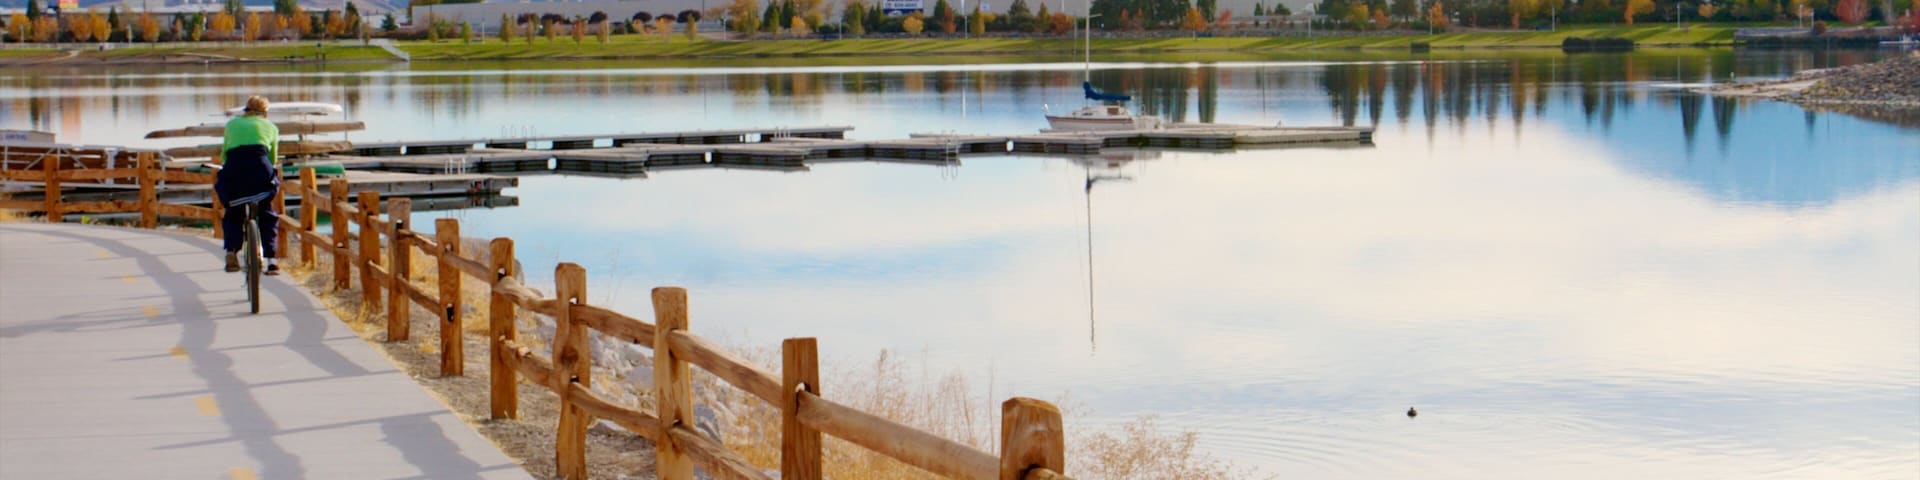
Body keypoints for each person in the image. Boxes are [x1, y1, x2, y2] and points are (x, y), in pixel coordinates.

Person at [215, 95, 282, 275]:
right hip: (260, 171)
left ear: (246, 109)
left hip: (235, 172)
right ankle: (272, 260)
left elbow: (225, 153)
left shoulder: (232, 125)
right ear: (265, 112)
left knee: (233, 214)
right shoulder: (271, 128)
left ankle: (231, 251)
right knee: (267, 214)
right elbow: (273, 158)